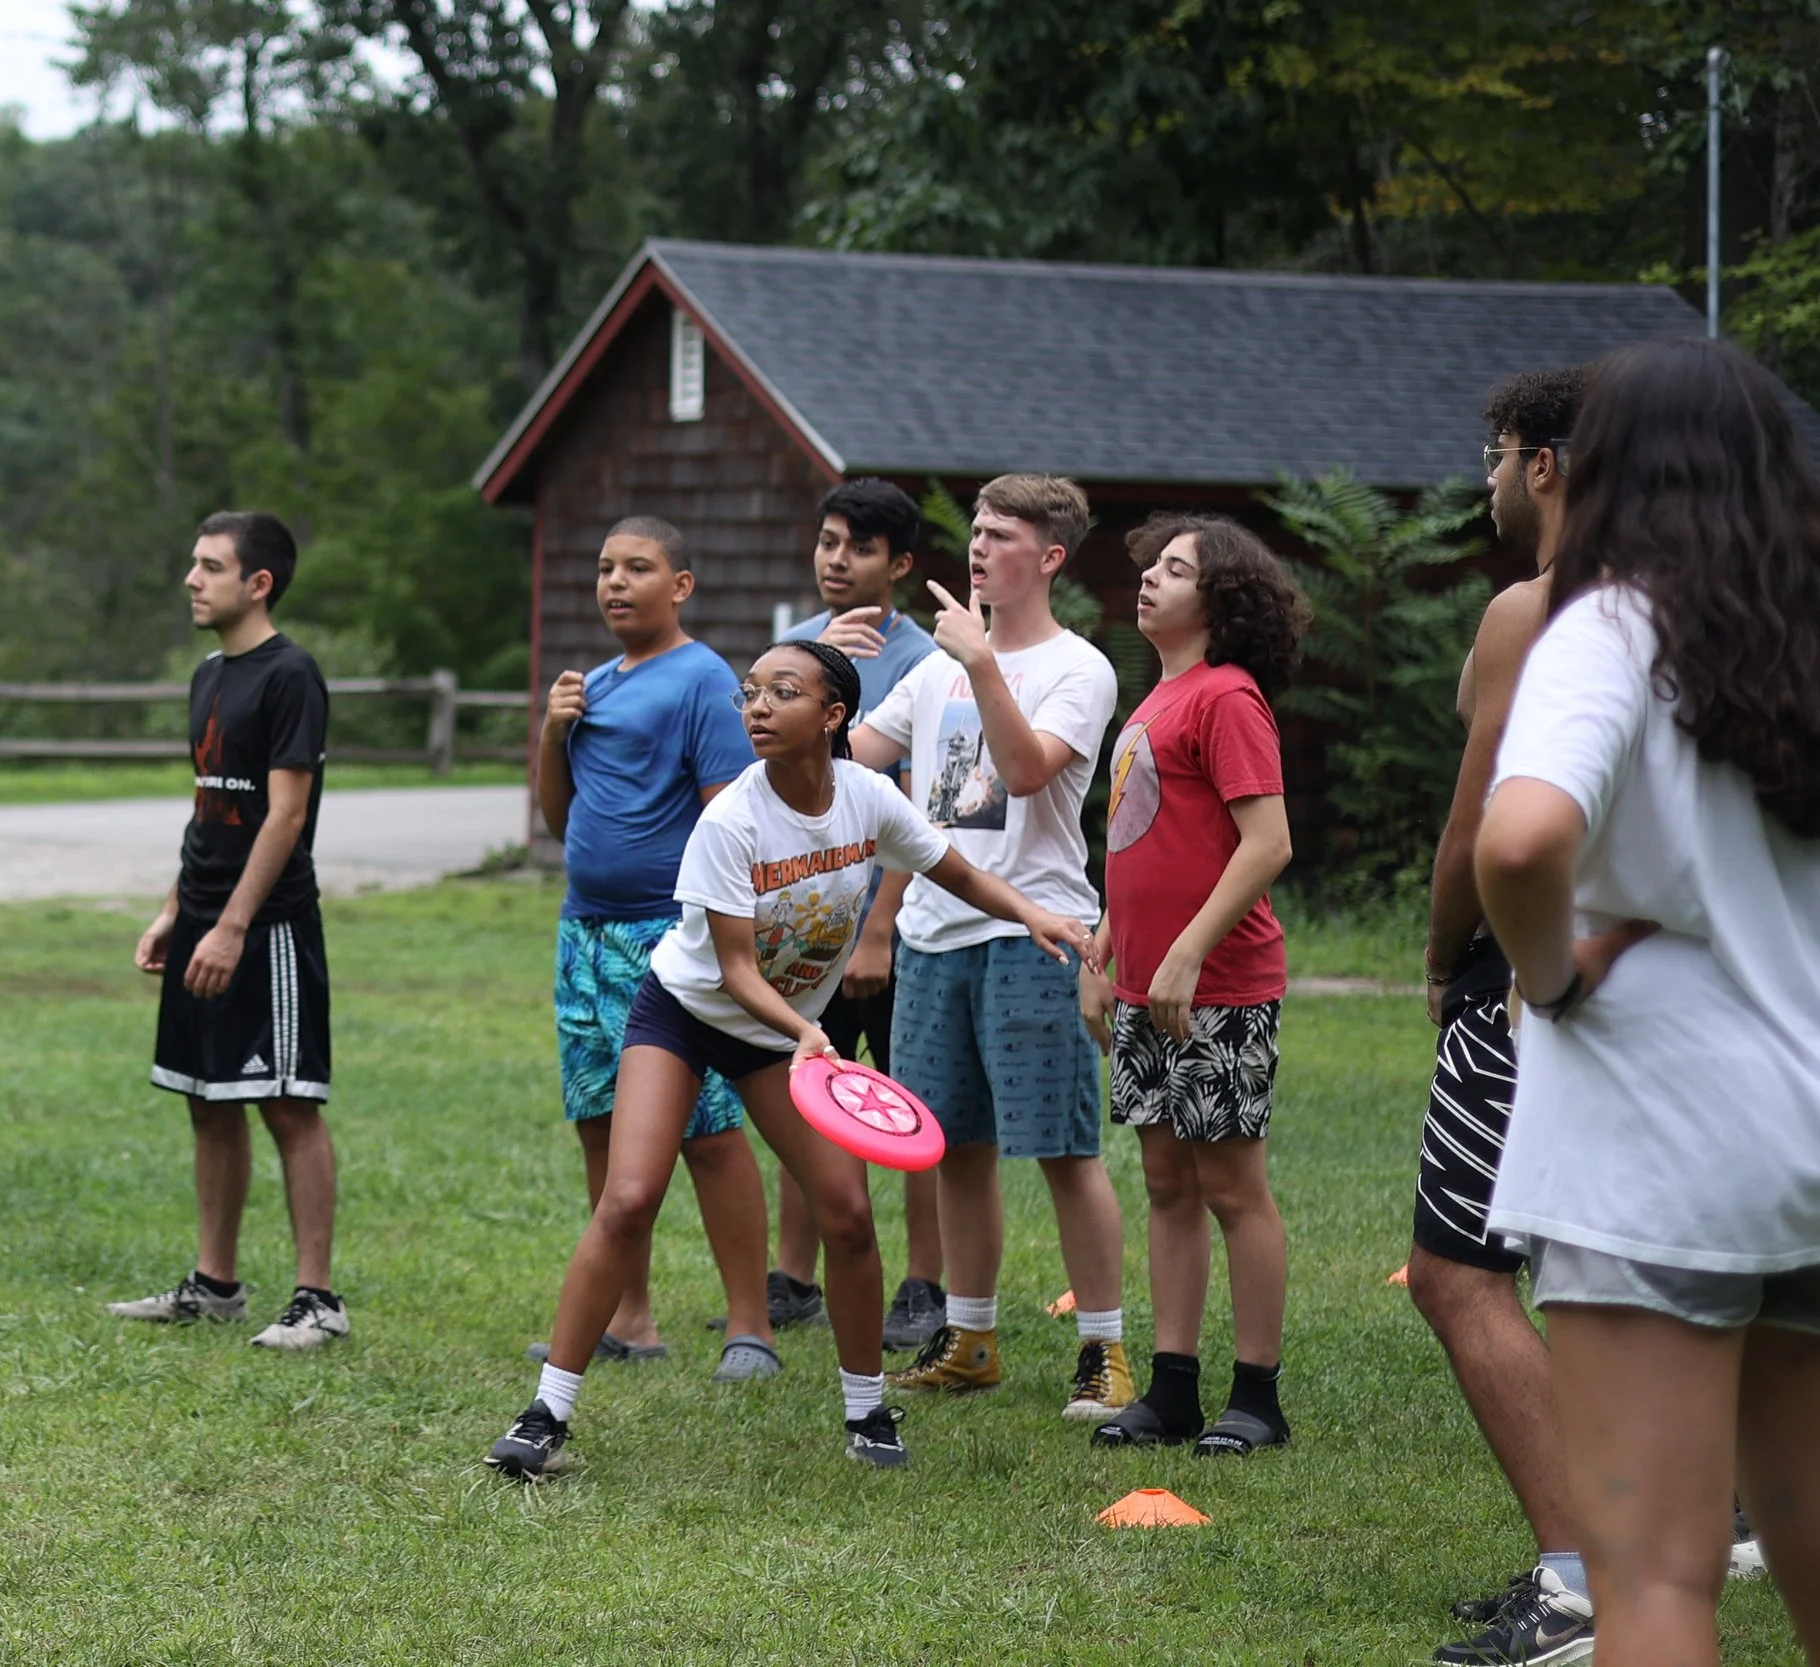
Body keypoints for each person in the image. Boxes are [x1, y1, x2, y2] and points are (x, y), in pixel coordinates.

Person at [485, 640, 1093, 1480]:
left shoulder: (869, 798)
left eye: (784, 691)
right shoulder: (732, 816)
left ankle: (866, 1410)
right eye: (751, 693)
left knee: (846, 1213)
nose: (758, 707)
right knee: (628, 1199)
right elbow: (734, 968)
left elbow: (951, 868)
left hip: (779, 1035)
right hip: (688, 1013)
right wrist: (807, 1031)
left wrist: (1034, 914)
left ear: (833, 714)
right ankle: (545, 1412)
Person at [1474, 337, 1820, 1666]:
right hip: (1806, 1145)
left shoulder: (1609, 623)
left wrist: (1550, 969)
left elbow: (1518, 840)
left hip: (1662, 1150)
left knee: (1660, 1582)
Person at [850, 475, 1130, 1420]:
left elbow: (1022, 770)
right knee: (954, 1149)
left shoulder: (1077, 668)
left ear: (1049, 557)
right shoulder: (930, 668)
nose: (977, 548)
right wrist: (813, 662)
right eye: (974, 531)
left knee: (1062, 1147)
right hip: (934, 938)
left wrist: (978, 664)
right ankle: (970, 1338)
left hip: (1034, 935)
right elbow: (850, 756)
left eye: (1001, 535)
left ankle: (1104, 1350)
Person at [1411, 367, 1599, 1662]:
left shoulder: (1530, 611)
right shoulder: (1710, 605)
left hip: (1527, 974)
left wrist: (1442, 961)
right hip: (1655, 979)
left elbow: (1482, 826)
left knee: (1457, 1270)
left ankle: (1580, 1577)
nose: (1484, 483)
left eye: (1492, 455)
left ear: (1542, 462)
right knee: (1610, 1273)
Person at [531, 515, 779, 1381]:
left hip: (668, 937)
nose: (615, 582)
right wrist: (552, 733)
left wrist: (719, 934)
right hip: (584, 932)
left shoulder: (703, 680)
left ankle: (752, 1325)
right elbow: (559, 820)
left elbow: (730, 815)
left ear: (680, 585)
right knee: (600, 1125)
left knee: (708, 1131)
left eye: (638, 567)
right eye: (604, 567)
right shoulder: (592, 684)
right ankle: (629, 1317)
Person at [1080, 514, 1308, 1456]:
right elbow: (1138, 847)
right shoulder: (1154, 702)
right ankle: (1172, 1388)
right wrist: (1105, 953)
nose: (1150, 581)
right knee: (1166, 1180)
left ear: (1220, 601)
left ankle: (1257, 1396)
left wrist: (1183, 953)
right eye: (1153, 567)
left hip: (1217, 983)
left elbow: (1269, 843)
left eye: (1176, 571)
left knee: (1231, 1184)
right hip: (1144, 987)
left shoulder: (1227, 698)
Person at [108, 511, 347, 1350]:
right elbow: (212, 806)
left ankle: (318, 1298)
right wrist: (179, 913)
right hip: (206, 917)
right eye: (193, 563)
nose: (191, 578)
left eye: (209, 566)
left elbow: (285, 815)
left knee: (287, 1103)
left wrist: (235, 924)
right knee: (208, 1101)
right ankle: (215, 1285)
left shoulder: (292, 675)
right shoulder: (209, 673)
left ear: (258, 584)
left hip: (267, 926)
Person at [772, 477, 943, 1346]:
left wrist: (881, 925)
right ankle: (790, 1275)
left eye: (859, 548)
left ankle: (923, 1284)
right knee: (810, 1088)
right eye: (828, 540)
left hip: (887, 925)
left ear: (900, 565)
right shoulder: (793, 646)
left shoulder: (922, 661)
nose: (836, 560)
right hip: (810, 919)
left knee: (905, 1096)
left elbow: (914, 811)